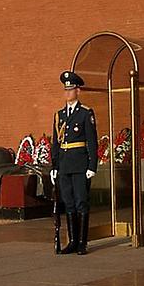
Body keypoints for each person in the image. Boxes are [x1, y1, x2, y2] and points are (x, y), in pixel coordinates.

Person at [50, 71, 98, 255]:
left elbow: (91, 141)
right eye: (66, 90)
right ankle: (71, 242)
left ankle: (81, 243)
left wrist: (91, 166)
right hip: (64, 166)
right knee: (68, 203)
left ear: (78, 91)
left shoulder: (85, 113)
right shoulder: (59, 115)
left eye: (71, 89)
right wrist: (55, 167)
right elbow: (56, 143)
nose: (68, 93)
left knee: (81, 202)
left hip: (79, 165)